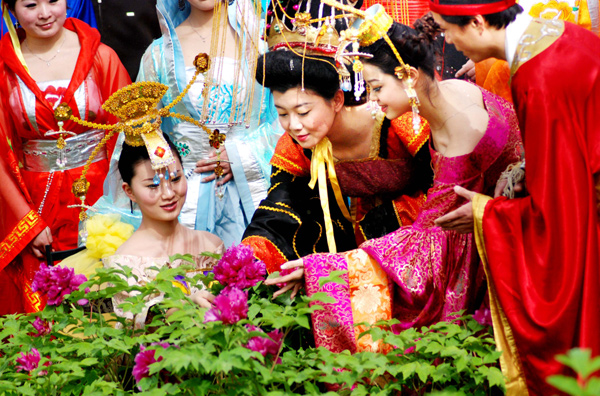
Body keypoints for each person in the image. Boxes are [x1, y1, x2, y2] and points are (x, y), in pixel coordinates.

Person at [266, 5, 522, 355]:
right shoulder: (457, 93)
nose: (371, 99)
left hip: (493, 256)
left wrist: (325, 270)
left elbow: (429, 243)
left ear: (409, 76)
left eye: (376, 87)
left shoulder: (454, 133)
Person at [430, 0, 600, 394]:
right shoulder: (564, 38)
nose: (448, 42)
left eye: (447, 30)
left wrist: (483, 213)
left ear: (475, 22)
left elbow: (561, 219)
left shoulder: (538, 77)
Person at [241, 0, 433, 274]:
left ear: (337, 100)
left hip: (417, 248)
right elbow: (279, 210)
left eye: (304, 111)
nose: (294, 125)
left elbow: (444, 191)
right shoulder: (298, 143)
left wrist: (383, 223)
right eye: (283, 114)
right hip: (351, 258)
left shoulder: (399, 121)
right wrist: (247, 264)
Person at [98, 0, 281, 248]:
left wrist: (240, 154)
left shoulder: (263, 42)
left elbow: (286, 121)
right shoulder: (159, 55)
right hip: (183, 198)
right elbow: (137, 136)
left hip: (256, 189)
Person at [0, 0, 130, 315]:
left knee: (109, 297)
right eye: (31, 4)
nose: (45, 13)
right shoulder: (3, 69)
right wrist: (25, 221)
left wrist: (121, 208)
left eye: (54, 1)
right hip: (34, 202)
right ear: (10, 10)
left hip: (103, 198)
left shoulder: (102, 57)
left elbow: (127, 137)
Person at [103, 133, 223, 329]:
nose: (168, 194)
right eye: (152, 185)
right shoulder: (124, 263)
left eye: (175, 179)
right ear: (129, 191)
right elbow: (130, 338)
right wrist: (182, 307)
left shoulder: (212, 245)